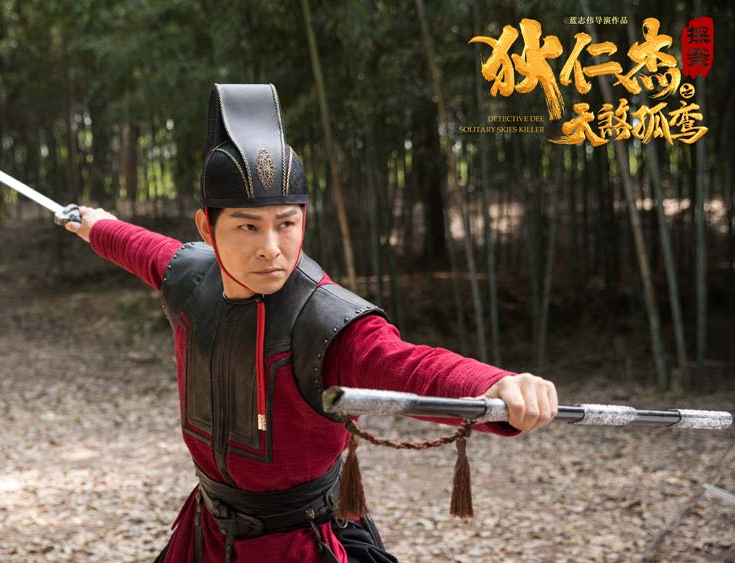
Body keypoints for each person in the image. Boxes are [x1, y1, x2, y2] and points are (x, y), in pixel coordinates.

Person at [64, 84, 557, 563]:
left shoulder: (326, 322)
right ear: (207, 228)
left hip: (303, 544)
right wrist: (96, 225)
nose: (271, 249)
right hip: (207, 533)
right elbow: (140, 247)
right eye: (247, 226)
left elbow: (408, 365)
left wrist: (496, 384)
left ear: (303, 218)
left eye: (286, 223)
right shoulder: (190, 277)